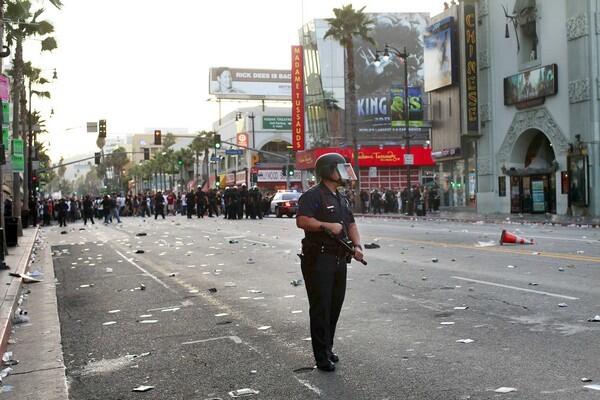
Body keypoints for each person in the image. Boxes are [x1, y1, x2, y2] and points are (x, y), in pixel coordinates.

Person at [296, 153, 364, 372]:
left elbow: (350, 224)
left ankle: (328, 347)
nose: (343, 173)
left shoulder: (341, 197)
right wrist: (327, 226)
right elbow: (302, 221)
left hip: (338, 258)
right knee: (320, 308)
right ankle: (321, 356)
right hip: (319, 259)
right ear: (327, 171)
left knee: (334, 306)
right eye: (339, 168)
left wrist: (358, 246)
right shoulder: (313, 196)